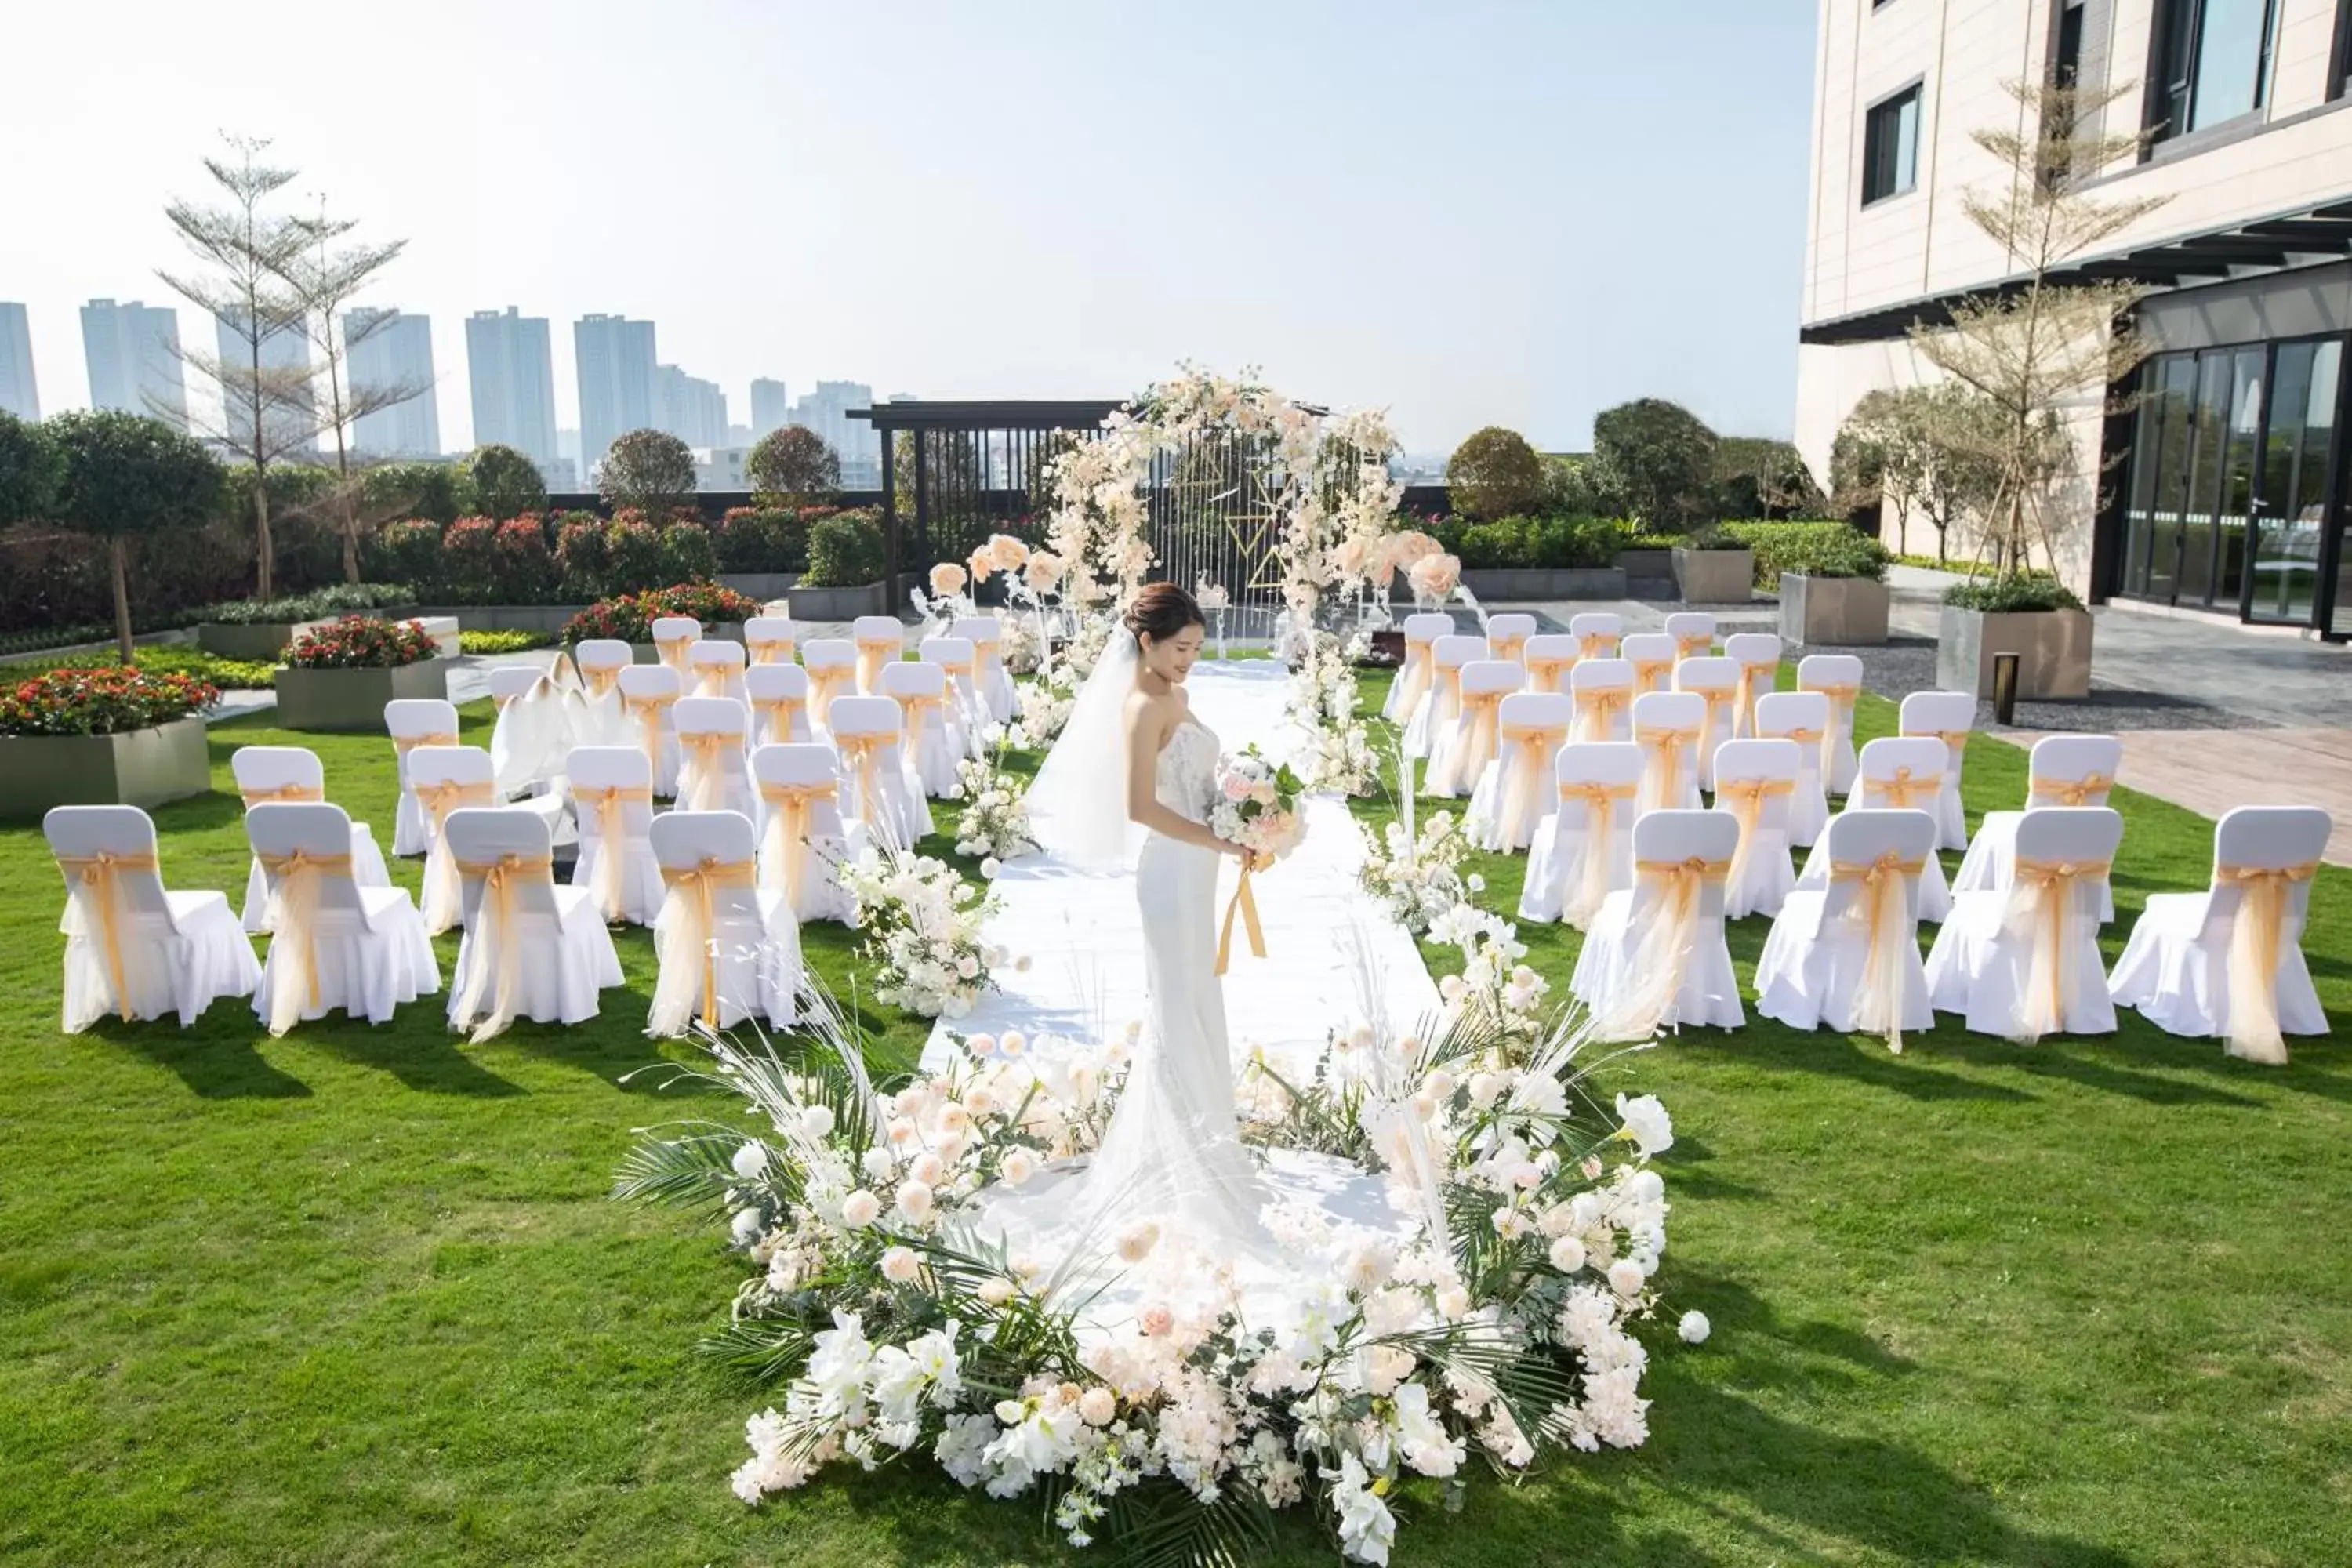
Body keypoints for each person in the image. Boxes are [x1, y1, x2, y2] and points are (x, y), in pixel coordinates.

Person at [1020, 583, 1277, 1265]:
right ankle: (1178, 1166)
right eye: (1181, 648)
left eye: (1196, 648)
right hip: (1169, 874)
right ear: (1147, 643)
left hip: (1200, 866)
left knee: (1199, 1000)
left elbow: (1195, 782)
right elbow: (1140, 808)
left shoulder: (1177, 696)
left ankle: (1206, 1148)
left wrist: (1247, 811)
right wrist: (1219, 839)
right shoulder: (1140, 707)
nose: (1190, 659)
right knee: (1175, 1008)